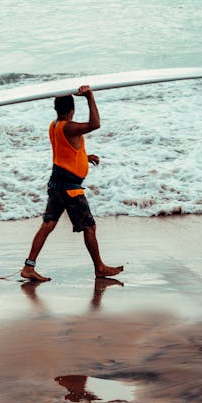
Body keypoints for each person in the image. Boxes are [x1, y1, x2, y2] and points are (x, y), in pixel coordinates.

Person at [21, 85, 123, 282]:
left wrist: (85, 157)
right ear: (71, 110)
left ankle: (28, 267)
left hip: (57, 183)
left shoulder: (55, 125)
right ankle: (99, 267)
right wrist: (90, 97)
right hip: (69, 188)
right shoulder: (69, 126)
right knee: (89, 227)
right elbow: (95, 124)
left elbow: (66, 151)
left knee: (47, 225)